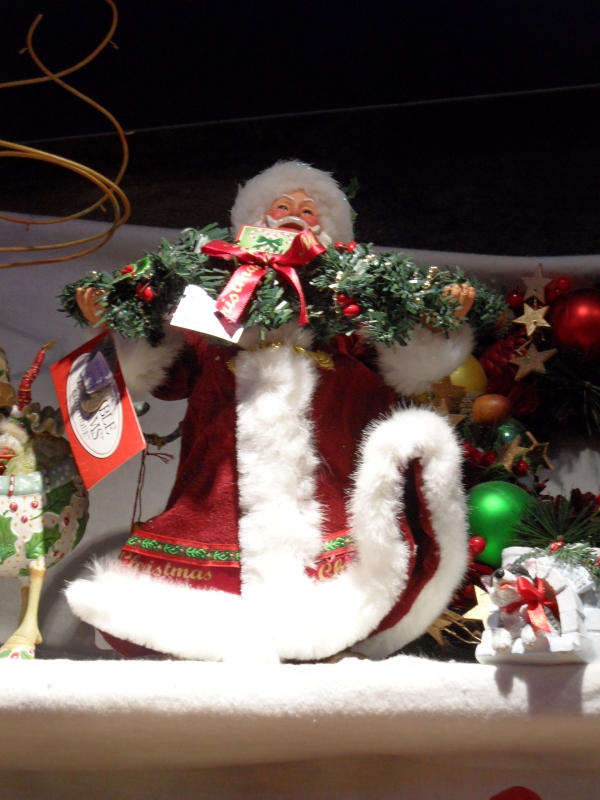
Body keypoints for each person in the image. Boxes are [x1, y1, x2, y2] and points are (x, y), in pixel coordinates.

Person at [66, 161, 478, 663]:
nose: (294, 215)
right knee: (211, 542)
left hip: (324, 469)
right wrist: (120, 328)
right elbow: (166, 375)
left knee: (327, 551)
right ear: (254, 221)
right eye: (281, 206)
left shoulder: (349, 311)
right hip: (221, 478)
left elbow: (400, 370)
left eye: (309, 210)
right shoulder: (213, 304)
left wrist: (434, 325)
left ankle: (320, 640)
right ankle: (209, 644)